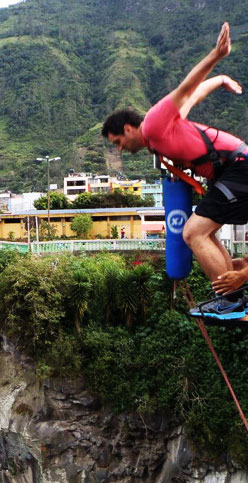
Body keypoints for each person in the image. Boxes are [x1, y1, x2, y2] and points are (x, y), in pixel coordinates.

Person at [102, 22, 248, 320]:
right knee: (207, 234)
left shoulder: (154, 122)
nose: (119, 149)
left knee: (193, 232)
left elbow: (186, 89)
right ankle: (231, 295)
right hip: (228, 173)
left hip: (238, 167)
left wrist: (216, 57)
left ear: (129, 129)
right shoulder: (159, 136)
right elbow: (195, 98)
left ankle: (233, 300)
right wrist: (219, 80)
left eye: (118, 142)